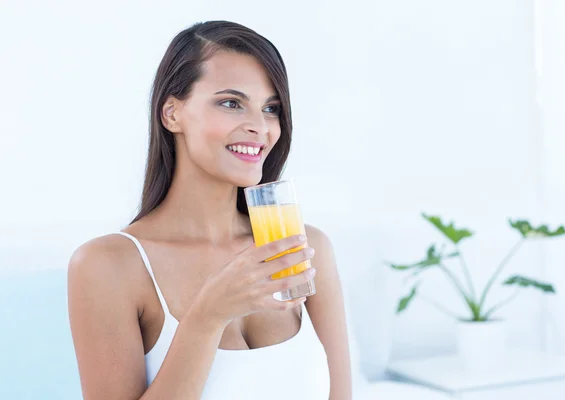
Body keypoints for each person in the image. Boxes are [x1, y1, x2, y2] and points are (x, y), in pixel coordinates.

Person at [67, 21, 352, 399]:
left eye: (271, 109)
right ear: (172, 113)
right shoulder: (108, 266)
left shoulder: (304, 246)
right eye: (231, 103)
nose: (259, 127)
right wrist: (207, 318)